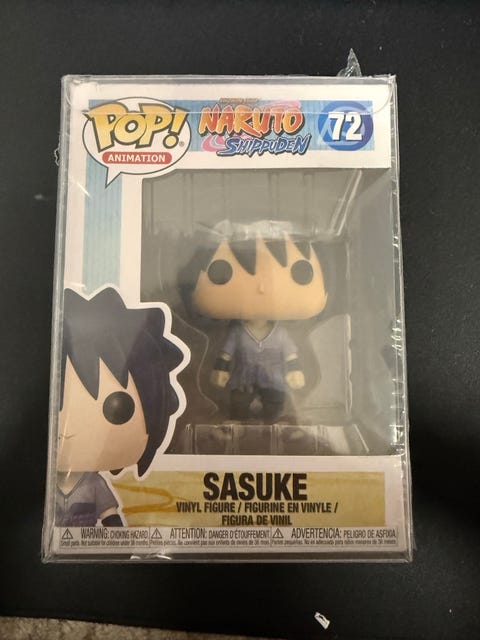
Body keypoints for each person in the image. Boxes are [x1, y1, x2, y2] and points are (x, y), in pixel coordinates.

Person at [55, 287, 184, 526]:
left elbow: (110, 514)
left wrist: (116, 534)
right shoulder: (44, 484)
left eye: (117, 409)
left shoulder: (94, 484)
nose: (68, 431)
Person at [190, 221, 328, 422]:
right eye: (221, 272)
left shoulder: (280, 334)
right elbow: (226, 354)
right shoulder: (237, 333)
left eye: (300, 272)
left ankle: (274, 421)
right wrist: (220, 369)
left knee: (275, 404)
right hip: (243, 378)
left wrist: (295, 370)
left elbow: (290, 355)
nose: (262, 288)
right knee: (239, 403)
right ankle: (239, 422)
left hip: (273, 379)